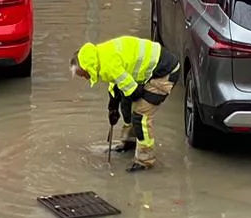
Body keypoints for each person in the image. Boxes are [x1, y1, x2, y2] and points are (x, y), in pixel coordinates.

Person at [70, 37, 181, 171]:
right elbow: (116, 84)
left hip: (165, 71)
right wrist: (113, 107)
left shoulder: (108, 64)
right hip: (154, 68)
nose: (84, 78)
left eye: (82, 74)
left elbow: (133, 91)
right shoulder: (99, 56)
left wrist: (125, 103)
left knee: (141, 115)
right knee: (128, 107)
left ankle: (145, 160)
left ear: (87, 67)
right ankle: (130, 142)